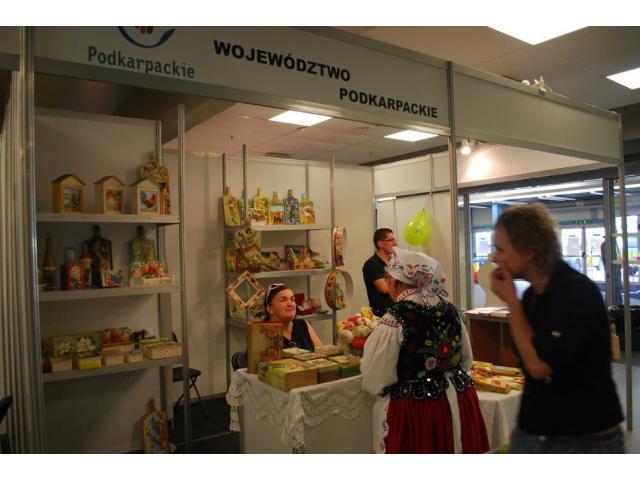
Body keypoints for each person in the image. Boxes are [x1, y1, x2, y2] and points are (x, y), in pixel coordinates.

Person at [490, 203, 624, 454]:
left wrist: (511, 302)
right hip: (538, 434)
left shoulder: (577, 293)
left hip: (583, 441)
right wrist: (526, 424)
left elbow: (539, 365)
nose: (494, 258)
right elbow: (530, 368)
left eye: (500, 249)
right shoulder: (532, 296)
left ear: (528, 250)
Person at [361, 248, 489, 454]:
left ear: (396, 282)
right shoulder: (449, 310)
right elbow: (466, 360)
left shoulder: (395, 318)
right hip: (460, 401)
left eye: (388, 279)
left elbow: (375, 377)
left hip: (418, 411)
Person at [264, 283, 322, 351]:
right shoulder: (262, 334)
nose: (290, 304)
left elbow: (322, 352)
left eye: (292, 299)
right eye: (283, 300)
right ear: (270, 308)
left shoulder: (302, 324)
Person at [362, 228, 397, 317]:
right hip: (381, 315)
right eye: (391, 240)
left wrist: (389, 281)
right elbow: (384, 288)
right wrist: (399, 282)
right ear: (380, 243)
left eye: (394, 240)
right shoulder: (371, 264)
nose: (395, 244)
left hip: (396, 312)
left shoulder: (394, 262)